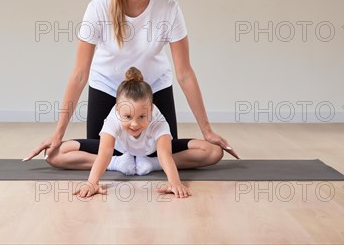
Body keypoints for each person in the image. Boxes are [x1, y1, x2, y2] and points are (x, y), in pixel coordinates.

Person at [23, 0, 239, 163]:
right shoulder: (97, 8)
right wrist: (58, 133)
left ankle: (146, 163)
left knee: (199, 152)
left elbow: (185, 74)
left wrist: (207, 130)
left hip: (153, 89)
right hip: (107, 88)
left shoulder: (169, 8)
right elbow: (79, 74)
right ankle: (122, 163)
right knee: (58, 155)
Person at [50, 67, 223, 198]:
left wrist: (174, 182)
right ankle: (118, 163)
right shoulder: (114, 117)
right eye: (128, 116)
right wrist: (92, 183)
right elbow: (105, 151)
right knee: (54, 155)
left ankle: (149, 164)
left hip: (152, 152)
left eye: (142, 116)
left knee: (214, 151)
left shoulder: (157, 118)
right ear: (118, 109)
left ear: (151, 109)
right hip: (119, 152)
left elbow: (164, 152)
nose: (134, 123)